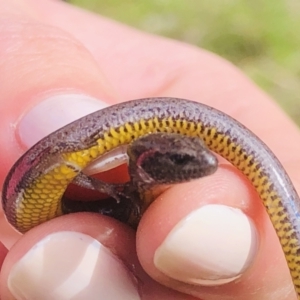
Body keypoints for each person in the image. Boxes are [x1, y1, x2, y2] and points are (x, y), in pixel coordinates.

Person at [0, 0, 299, 299]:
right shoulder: (86, 157)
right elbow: (66, 166)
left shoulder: (141, 181)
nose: (207, 160)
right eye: (182, 160)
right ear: (150, 161)